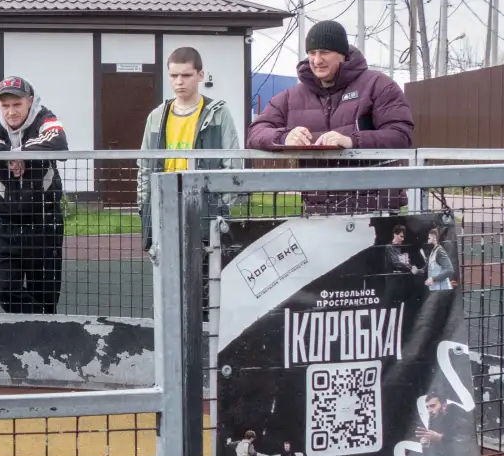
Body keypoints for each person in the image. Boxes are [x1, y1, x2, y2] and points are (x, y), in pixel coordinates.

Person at [247, 20, 414, 213]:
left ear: (342, 54)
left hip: (375, 211)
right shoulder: (291, 97)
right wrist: (284, 137)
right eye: (312, 53)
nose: (317, 60)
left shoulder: (378, 85)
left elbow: (400, 134)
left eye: (324, 52)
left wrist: (351, 141)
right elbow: (256, 132)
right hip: (318, 211)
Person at [0, 76, 68, 314]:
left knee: (45, 298)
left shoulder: (44, 117)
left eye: (17, 104)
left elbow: (59, 141)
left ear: (30, 101)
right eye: (5, 105)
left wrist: (22, 153)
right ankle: (36, 328)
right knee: (8, 293)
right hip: (5, 225)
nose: (11, 112)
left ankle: (44, 330)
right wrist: (8, 151)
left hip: (44, 224)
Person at [135, 47, 241, 255]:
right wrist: (144, 206)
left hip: (205, 207)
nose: (179, 81)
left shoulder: (219, 114)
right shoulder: (156, 116)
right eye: (173, 75)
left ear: (200, 75)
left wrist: (222, 207)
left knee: (206, 270)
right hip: (164, 205)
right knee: (166, 268)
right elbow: (145, 166)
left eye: (186, 75)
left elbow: (232, 164)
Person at [424, 226, 455, 290]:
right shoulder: (432, 252)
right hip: (436, 289)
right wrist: (417, 270)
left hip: (443, 289)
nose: (427, 241)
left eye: (429, 238)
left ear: (434, 237)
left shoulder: (439, 251)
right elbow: (427, 268)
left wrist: (433, 279)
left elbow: (450, 270)